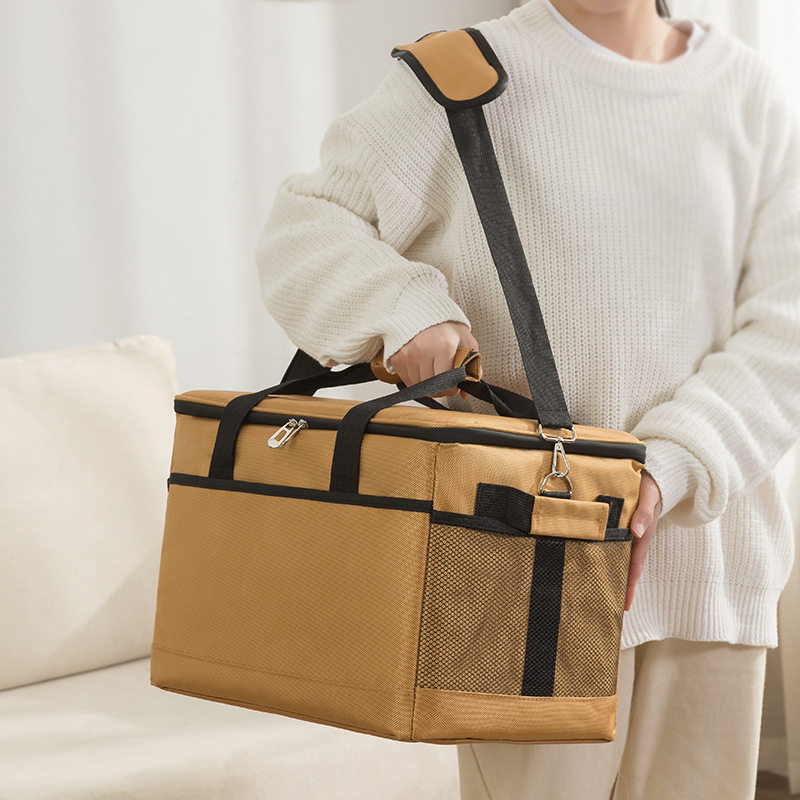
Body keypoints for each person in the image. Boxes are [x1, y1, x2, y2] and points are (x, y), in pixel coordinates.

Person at [255, 0, 800, 797]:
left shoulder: (750, 92)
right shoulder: (456, 77)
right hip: (519, 564)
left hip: (711, 572)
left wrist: (668, 465)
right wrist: (405, 310)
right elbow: (304, 228)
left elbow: (786, 328)